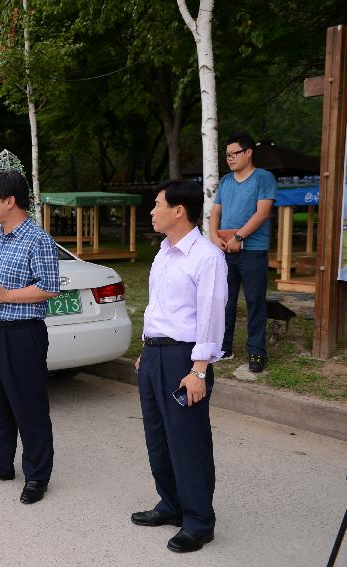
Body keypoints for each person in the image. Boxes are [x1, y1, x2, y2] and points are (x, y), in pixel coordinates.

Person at [133, 180, 227, 554]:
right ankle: (171, 504)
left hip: (185, 359)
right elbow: (159, 307)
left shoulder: (206, 257)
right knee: (158, 437)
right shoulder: (163, 253)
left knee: (188, 442)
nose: (152, 211)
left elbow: (210, 317)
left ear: (179, 211)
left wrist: (200, 369)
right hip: (155, 354)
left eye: (157, 205)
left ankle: (199, 521)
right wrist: (146, 348)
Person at [0, 171, 60, 505]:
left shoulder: (38, 239)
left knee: (28, 406)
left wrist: (5, 295)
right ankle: (1, 463)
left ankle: (37, 476)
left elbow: (49, 287)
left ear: (10, 201)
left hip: (22, 335)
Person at [209, 134, 277, 373]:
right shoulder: (226, 181)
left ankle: (257, 352)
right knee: (224, 301)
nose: (230, 159)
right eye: (227, 155)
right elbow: (215, 212)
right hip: (225, 250)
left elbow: (262, 213)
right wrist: (215, 237)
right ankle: (224, 347)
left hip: (253, 251)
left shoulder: (263, 178)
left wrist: (239, 237)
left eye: (234, 154)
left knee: (254, 302)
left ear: (248, 153)